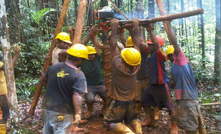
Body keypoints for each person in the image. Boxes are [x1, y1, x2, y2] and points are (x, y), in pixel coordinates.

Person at [166, 22, 206, 134]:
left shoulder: (181, 61)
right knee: (194, 125)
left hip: (187, 99)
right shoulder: (175, 66)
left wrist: (168, 25)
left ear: (171, 55)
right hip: (185, 99)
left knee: (191, 128)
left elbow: (174, 43)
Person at [103, 19, 142, 134]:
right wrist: (136, 27)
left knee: (109, 122)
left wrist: (114, 28)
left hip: (118, 101)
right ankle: (139, 131)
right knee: (133, 118)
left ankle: (128, 132)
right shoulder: (137, 66)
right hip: (131, 100)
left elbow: (113, 45)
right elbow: (137, 44)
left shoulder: (118, 65)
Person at [40, 44, 88, 134]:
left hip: (47, 108)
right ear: (79, 60)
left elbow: (42, 79)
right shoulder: (78, 75)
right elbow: (77, 95)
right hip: (62, 111)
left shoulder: (54, 67)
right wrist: (78, 113)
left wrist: (54, 88)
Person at [140, 24, 178, 134]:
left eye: (150, 44)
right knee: (144, 101)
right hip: (152, 85)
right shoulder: (149, 53)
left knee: (169, 107)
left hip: (162, 85)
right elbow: (140, 42)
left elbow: (156, 45)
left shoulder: (159, 54)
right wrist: (132, 29)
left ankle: (174, 126)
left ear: (157, 46)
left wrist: (149, 29)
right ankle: (150, 120)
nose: (148, 46)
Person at [81, 26, 106, 119]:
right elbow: (82, 45)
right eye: (89, 54)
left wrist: (94, 35)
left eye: (92, 54)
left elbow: (96, 46)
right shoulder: (83, 60)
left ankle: (104, 109)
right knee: (90, 99)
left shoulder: (97, 57)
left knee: (108, 98)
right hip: (89, 85)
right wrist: (89, 34)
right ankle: (90, 110)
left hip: (100, 84)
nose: (91, 56)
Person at [0, 45, 21, 134]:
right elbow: (8, 68)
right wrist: (16, 54)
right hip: (1, 92)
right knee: (2, 116)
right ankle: (2, 132)